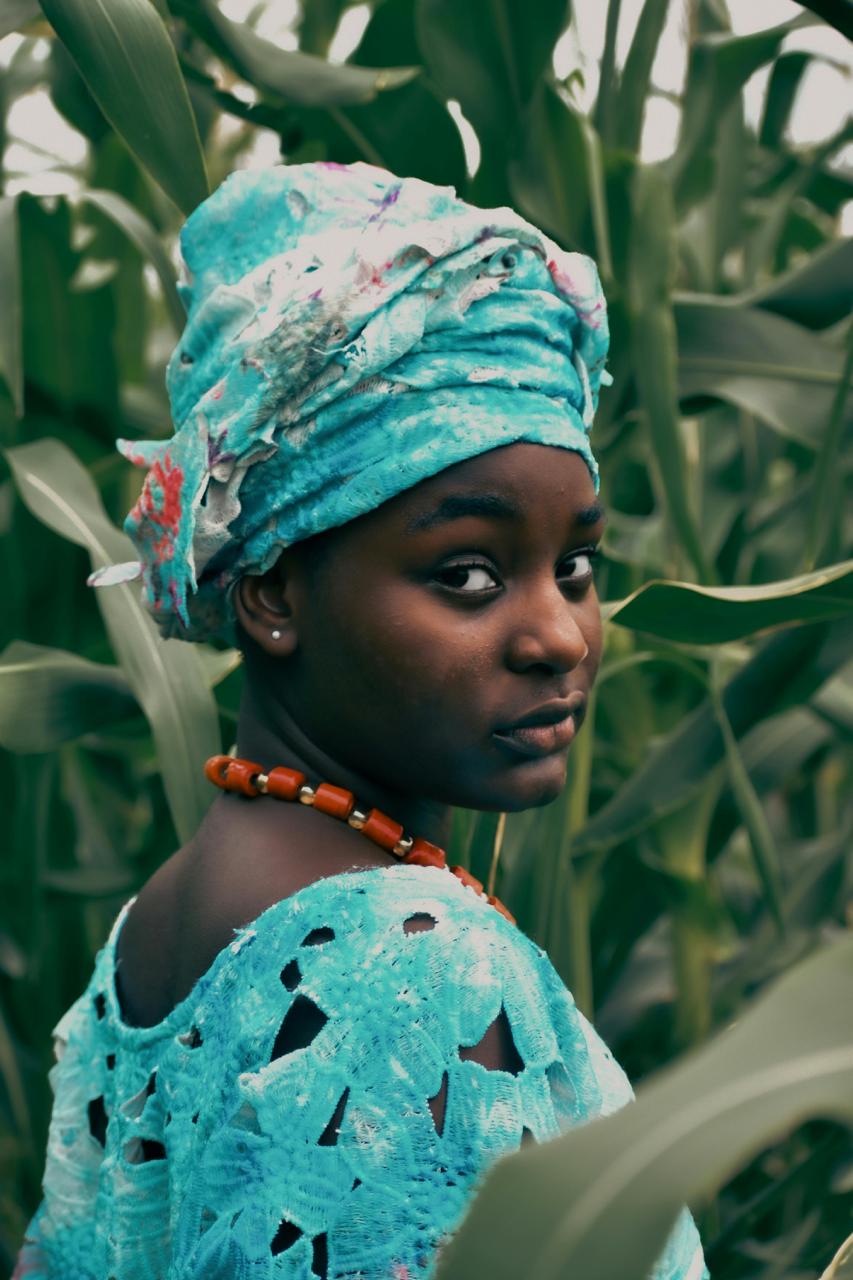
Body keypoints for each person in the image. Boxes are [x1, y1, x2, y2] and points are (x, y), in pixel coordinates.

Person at [15, 163, 707, 1279]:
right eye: (468, 574)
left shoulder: (159, 924)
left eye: (575, 565)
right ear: (272, 594)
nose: (561, 635)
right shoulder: (415, 967)